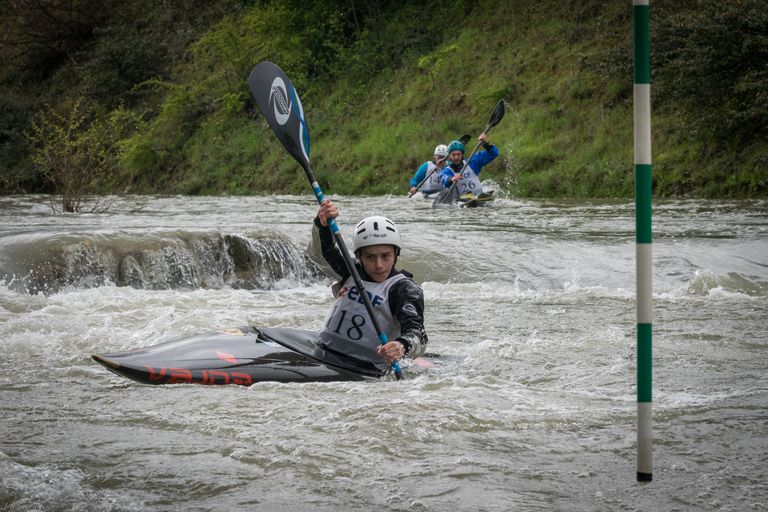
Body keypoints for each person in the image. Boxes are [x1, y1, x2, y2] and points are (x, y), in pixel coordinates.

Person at [306, 199, 428, 373]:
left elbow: (418, 335)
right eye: (370, 257)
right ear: (359, 256)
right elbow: (319, 256)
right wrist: (322, 225)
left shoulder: (404, 289)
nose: (379, 265)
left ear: (396, 253)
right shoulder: (351, 271)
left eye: (385, 256)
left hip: (368, 366)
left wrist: (402, 345)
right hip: (324, 350)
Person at [438, 134, 499, 198]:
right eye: (453, 155)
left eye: (458, 154)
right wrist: (451, 179)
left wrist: (485, 144)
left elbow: (493, 153)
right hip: (461, 201)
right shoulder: (447, 170)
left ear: (462, 154)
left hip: (478, 197)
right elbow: (444, 180)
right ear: (450, 156)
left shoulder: (472, 162)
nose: (456, 157)